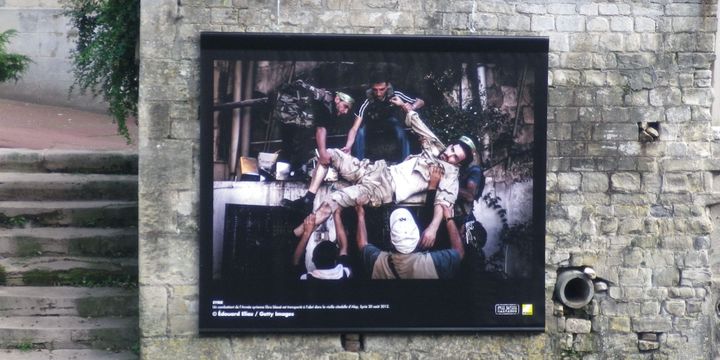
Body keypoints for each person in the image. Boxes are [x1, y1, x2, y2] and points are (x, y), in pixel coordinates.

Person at [283, 97, 477, 250]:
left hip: (382, 189)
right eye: (452, 149)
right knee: (330, 154)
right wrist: (405, 106)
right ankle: (308, 198)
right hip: (376, 169)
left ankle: (295, 235)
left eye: (454, 157)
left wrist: (433, 229)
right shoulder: (438, 148)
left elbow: (443, 204)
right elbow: (420, 127)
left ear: (459, 163)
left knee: (334, 199)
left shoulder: (451, 175)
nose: (448, 154)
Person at [355, 204, 464, 279]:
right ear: (418, 237)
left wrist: (360, 215)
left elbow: (362, 244)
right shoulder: (433, 264)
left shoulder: (378, 263)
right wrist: (449, 218)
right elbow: (459, 252)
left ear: (391, 240)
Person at [279, 80, 355, 173]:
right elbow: (321, 129)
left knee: (297, 145)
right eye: (345, 106)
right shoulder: (326, 106)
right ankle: (289, 172)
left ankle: (293, 169)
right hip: (289, 113)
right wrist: (323, 153)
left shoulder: (330, 103)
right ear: (337, 99)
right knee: (293, 145)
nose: (346, 111)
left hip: (295, 118)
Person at [347, 74, 424, 161]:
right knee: (360, 133)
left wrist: (412, 107)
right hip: (371, 122)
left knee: (401, 133)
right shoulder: (366, 99)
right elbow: (354, 128)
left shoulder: (395, 94)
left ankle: (405, 162)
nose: (378, 93)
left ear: (387, 86)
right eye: (375, 90)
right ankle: (359, 163)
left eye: (382, 89)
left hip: (389, 120)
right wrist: (348, 146)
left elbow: (420, 102)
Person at [292, 212, 351, 280]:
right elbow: (343, 247)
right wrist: (336, 214)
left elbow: (295, 261)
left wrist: (307, 232)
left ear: (313, 259)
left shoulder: (306, 278)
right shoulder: (344, 274)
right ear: (336, 260)